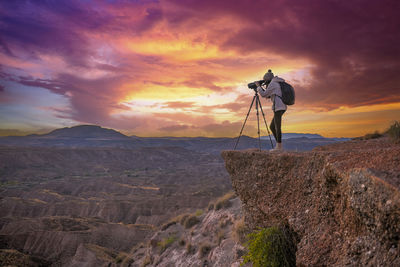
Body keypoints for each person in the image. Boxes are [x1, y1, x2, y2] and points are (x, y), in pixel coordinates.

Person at [255, 69, 286, 151]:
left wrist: (258, 86)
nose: (265, 83)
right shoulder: (276, 83)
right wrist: (261, 88)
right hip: (280, 107)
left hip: (279, 107)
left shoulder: (273, 83)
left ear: (268, 79)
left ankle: (279, 147)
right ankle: (279, 146)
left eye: (265, 81)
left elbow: (263, 94)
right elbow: (268, 95)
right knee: (272, 126)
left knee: (277, 127)